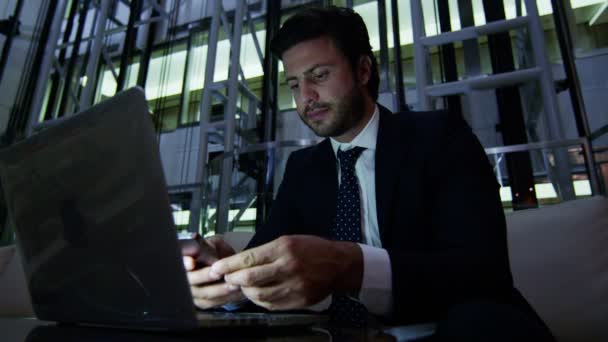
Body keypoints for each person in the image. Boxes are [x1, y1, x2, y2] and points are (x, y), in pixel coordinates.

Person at [183, 6, 555, 340]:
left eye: (319, 75)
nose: (305, 96)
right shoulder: (303, 169)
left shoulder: (438, 137)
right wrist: (227, 279)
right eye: (294, 84)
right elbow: (265, 263)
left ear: (363, 70)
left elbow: (481, 272)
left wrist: (353, 267)